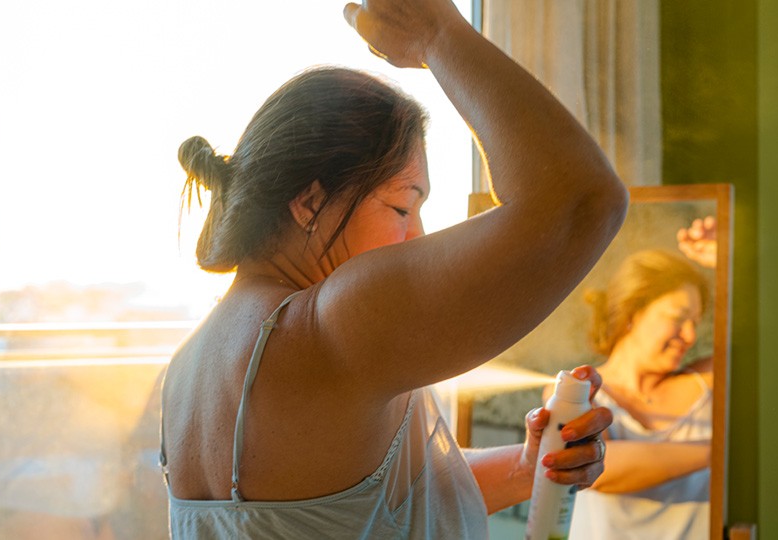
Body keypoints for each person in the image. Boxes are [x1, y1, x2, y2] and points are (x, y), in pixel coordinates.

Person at [158, 0, 629, 538]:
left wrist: (527, 468)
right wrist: (436, 34)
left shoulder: (188, 365)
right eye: (403, 207)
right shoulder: (333, 324)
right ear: (310, 202)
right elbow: (579, 202)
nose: (419, 236)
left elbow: (356, 510)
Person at [569, 248, 714, 540]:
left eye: (695, 322)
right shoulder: (577, 391)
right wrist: (720, 450)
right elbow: (601, 468)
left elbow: (766, 340)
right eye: (679, 317)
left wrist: (722, 261)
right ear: (632, 314)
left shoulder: (708, 382)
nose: (690, 336)